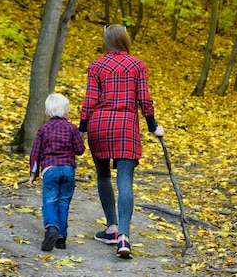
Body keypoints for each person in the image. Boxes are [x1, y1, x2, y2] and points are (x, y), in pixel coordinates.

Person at [79, 24, 164, 259]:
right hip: (126, 127)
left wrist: (82, 128)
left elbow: (89, 99)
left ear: (106, 40)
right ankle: (123, 237)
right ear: (125, 39)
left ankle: (111, 228)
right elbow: (144, 98)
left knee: (103, 175)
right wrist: (153, 126)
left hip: (99, 125)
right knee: (124, 180)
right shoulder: (138, 65)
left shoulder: (96, 66)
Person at [29, 93, 85, 251]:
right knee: (63, 202)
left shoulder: (43, 129)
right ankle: (61, 238)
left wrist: (33, 173)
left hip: (50, 169)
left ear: (47, 113)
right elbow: (80, 150)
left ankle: (52, 226)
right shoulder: (72, 128)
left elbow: (35, 153)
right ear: (66, 112)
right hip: (68, 169)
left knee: (49, 201)